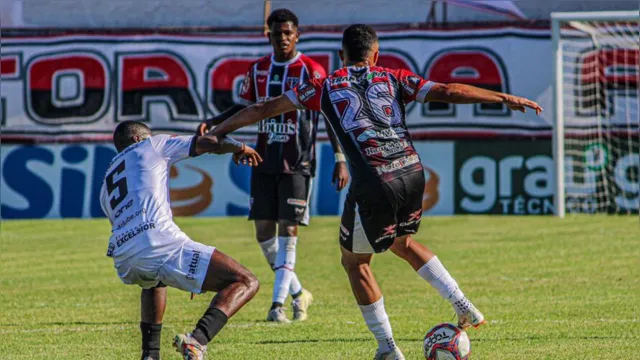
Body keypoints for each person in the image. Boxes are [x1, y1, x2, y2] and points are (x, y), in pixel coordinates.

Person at [209, 24, 543, 359]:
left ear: (342, 55)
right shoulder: (393, 77)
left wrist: (218, 129)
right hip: (413, 171)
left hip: (374, 179)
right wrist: (503, 97)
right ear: (376, 53)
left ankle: (387, 348)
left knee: (354, 261)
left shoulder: (323, 86)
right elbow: (448, 90)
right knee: (403, 242)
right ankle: (463, 305)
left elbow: (262, 109)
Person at [197, 8, 349, 323]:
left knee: (288, 230)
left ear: (297, 35)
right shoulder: (258, 70)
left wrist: (339, 158)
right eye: (277, 33)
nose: (282, 39)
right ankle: (297, 292)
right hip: (263, 159)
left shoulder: (312, 70)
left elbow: (330, 116)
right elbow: (244, 108)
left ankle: (278, 305)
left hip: (298, 162)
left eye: (288, 33)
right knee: (264, 234)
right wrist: (214, 122)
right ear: (269, 35)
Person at [99, 121, 263, 360]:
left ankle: (150, 354)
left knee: (153, 281)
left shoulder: (106, 182)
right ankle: (197, 341)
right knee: (246, 281)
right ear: (137, 139)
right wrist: (239, 147)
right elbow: (209, 142)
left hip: (124, 256)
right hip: (158, 244)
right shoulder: (153, 145)